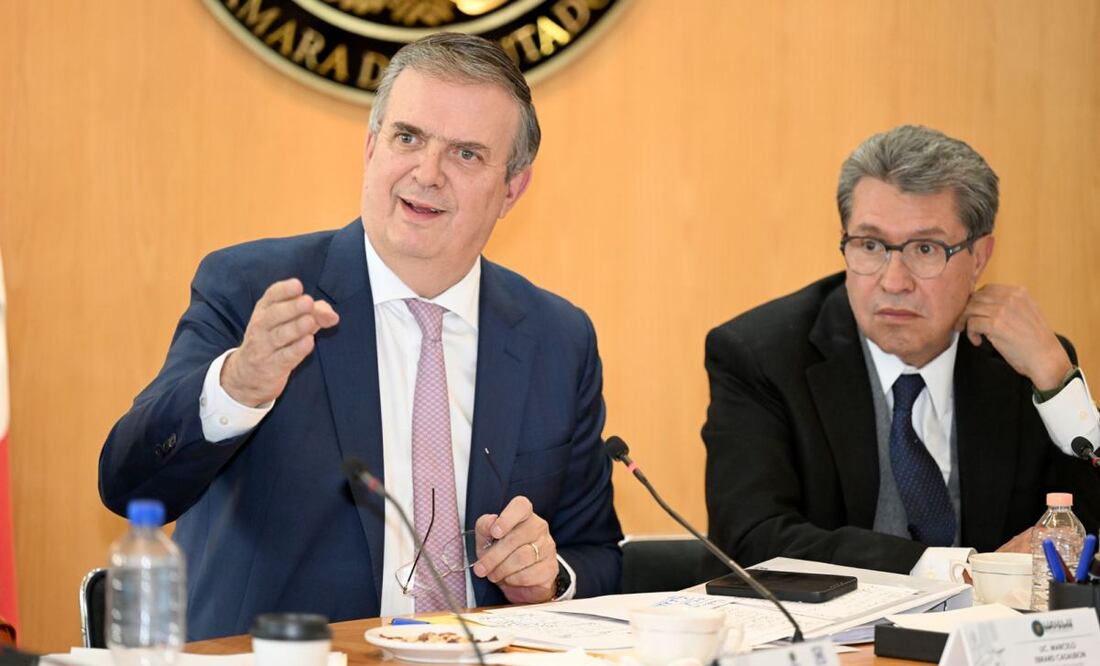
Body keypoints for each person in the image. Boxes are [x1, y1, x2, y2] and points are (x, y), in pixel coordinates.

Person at [99, 33, 622, 640]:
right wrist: (236, 387)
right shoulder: (253, 290)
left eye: (466, 154)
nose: (427, 173)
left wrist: (548, 578)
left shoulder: (557, 338)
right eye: (408, 138)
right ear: (372, 147)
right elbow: (130, 485)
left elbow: (598, 556)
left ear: (512, 189)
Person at [703, 125, 1100, 579]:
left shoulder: (1020, 361)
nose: (893, 281)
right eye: (871, 246)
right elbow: (750, 540)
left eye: (925, 249)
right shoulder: (762, 356)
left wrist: (1056, 379)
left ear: (979, 257)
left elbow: (1088, 539)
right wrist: (957, 569)